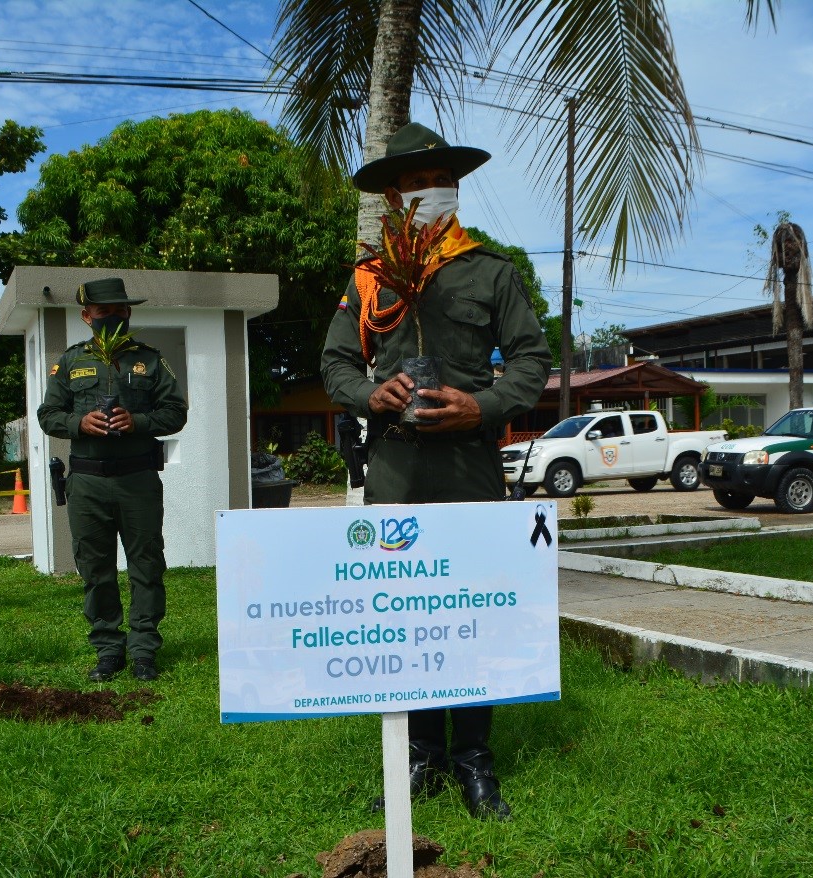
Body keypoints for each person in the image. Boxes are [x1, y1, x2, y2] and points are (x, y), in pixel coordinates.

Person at [321, 122, 552, 820]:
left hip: (469, 467)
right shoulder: (367, 277)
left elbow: (531, 362)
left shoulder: (490, 270)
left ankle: (474, 761)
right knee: (403, 615)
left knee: (473, 612)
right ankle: (418, 757)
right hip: (394, 469)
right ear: (392, 195)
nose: (429, 192)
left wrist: (480, 405)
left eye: (439, 180)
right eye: (415, 184)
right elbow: (334, 364)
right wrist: (369, 393)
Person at [37, 277, 188, 681]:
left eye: (120, 311)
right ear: (87, 316)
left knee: (146, 563)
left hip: (137, 480)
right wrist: (79, 422)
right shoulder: (70, 362)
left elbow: (176, 412)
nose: (113, 318)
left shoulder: (150, 360)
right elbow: (47, 415)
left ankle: (143, 650)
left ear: (129, 314)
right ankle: (108, 649)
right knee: (95, 568)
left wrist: (137, 421)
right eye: (104, 313)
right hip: (87, 484)